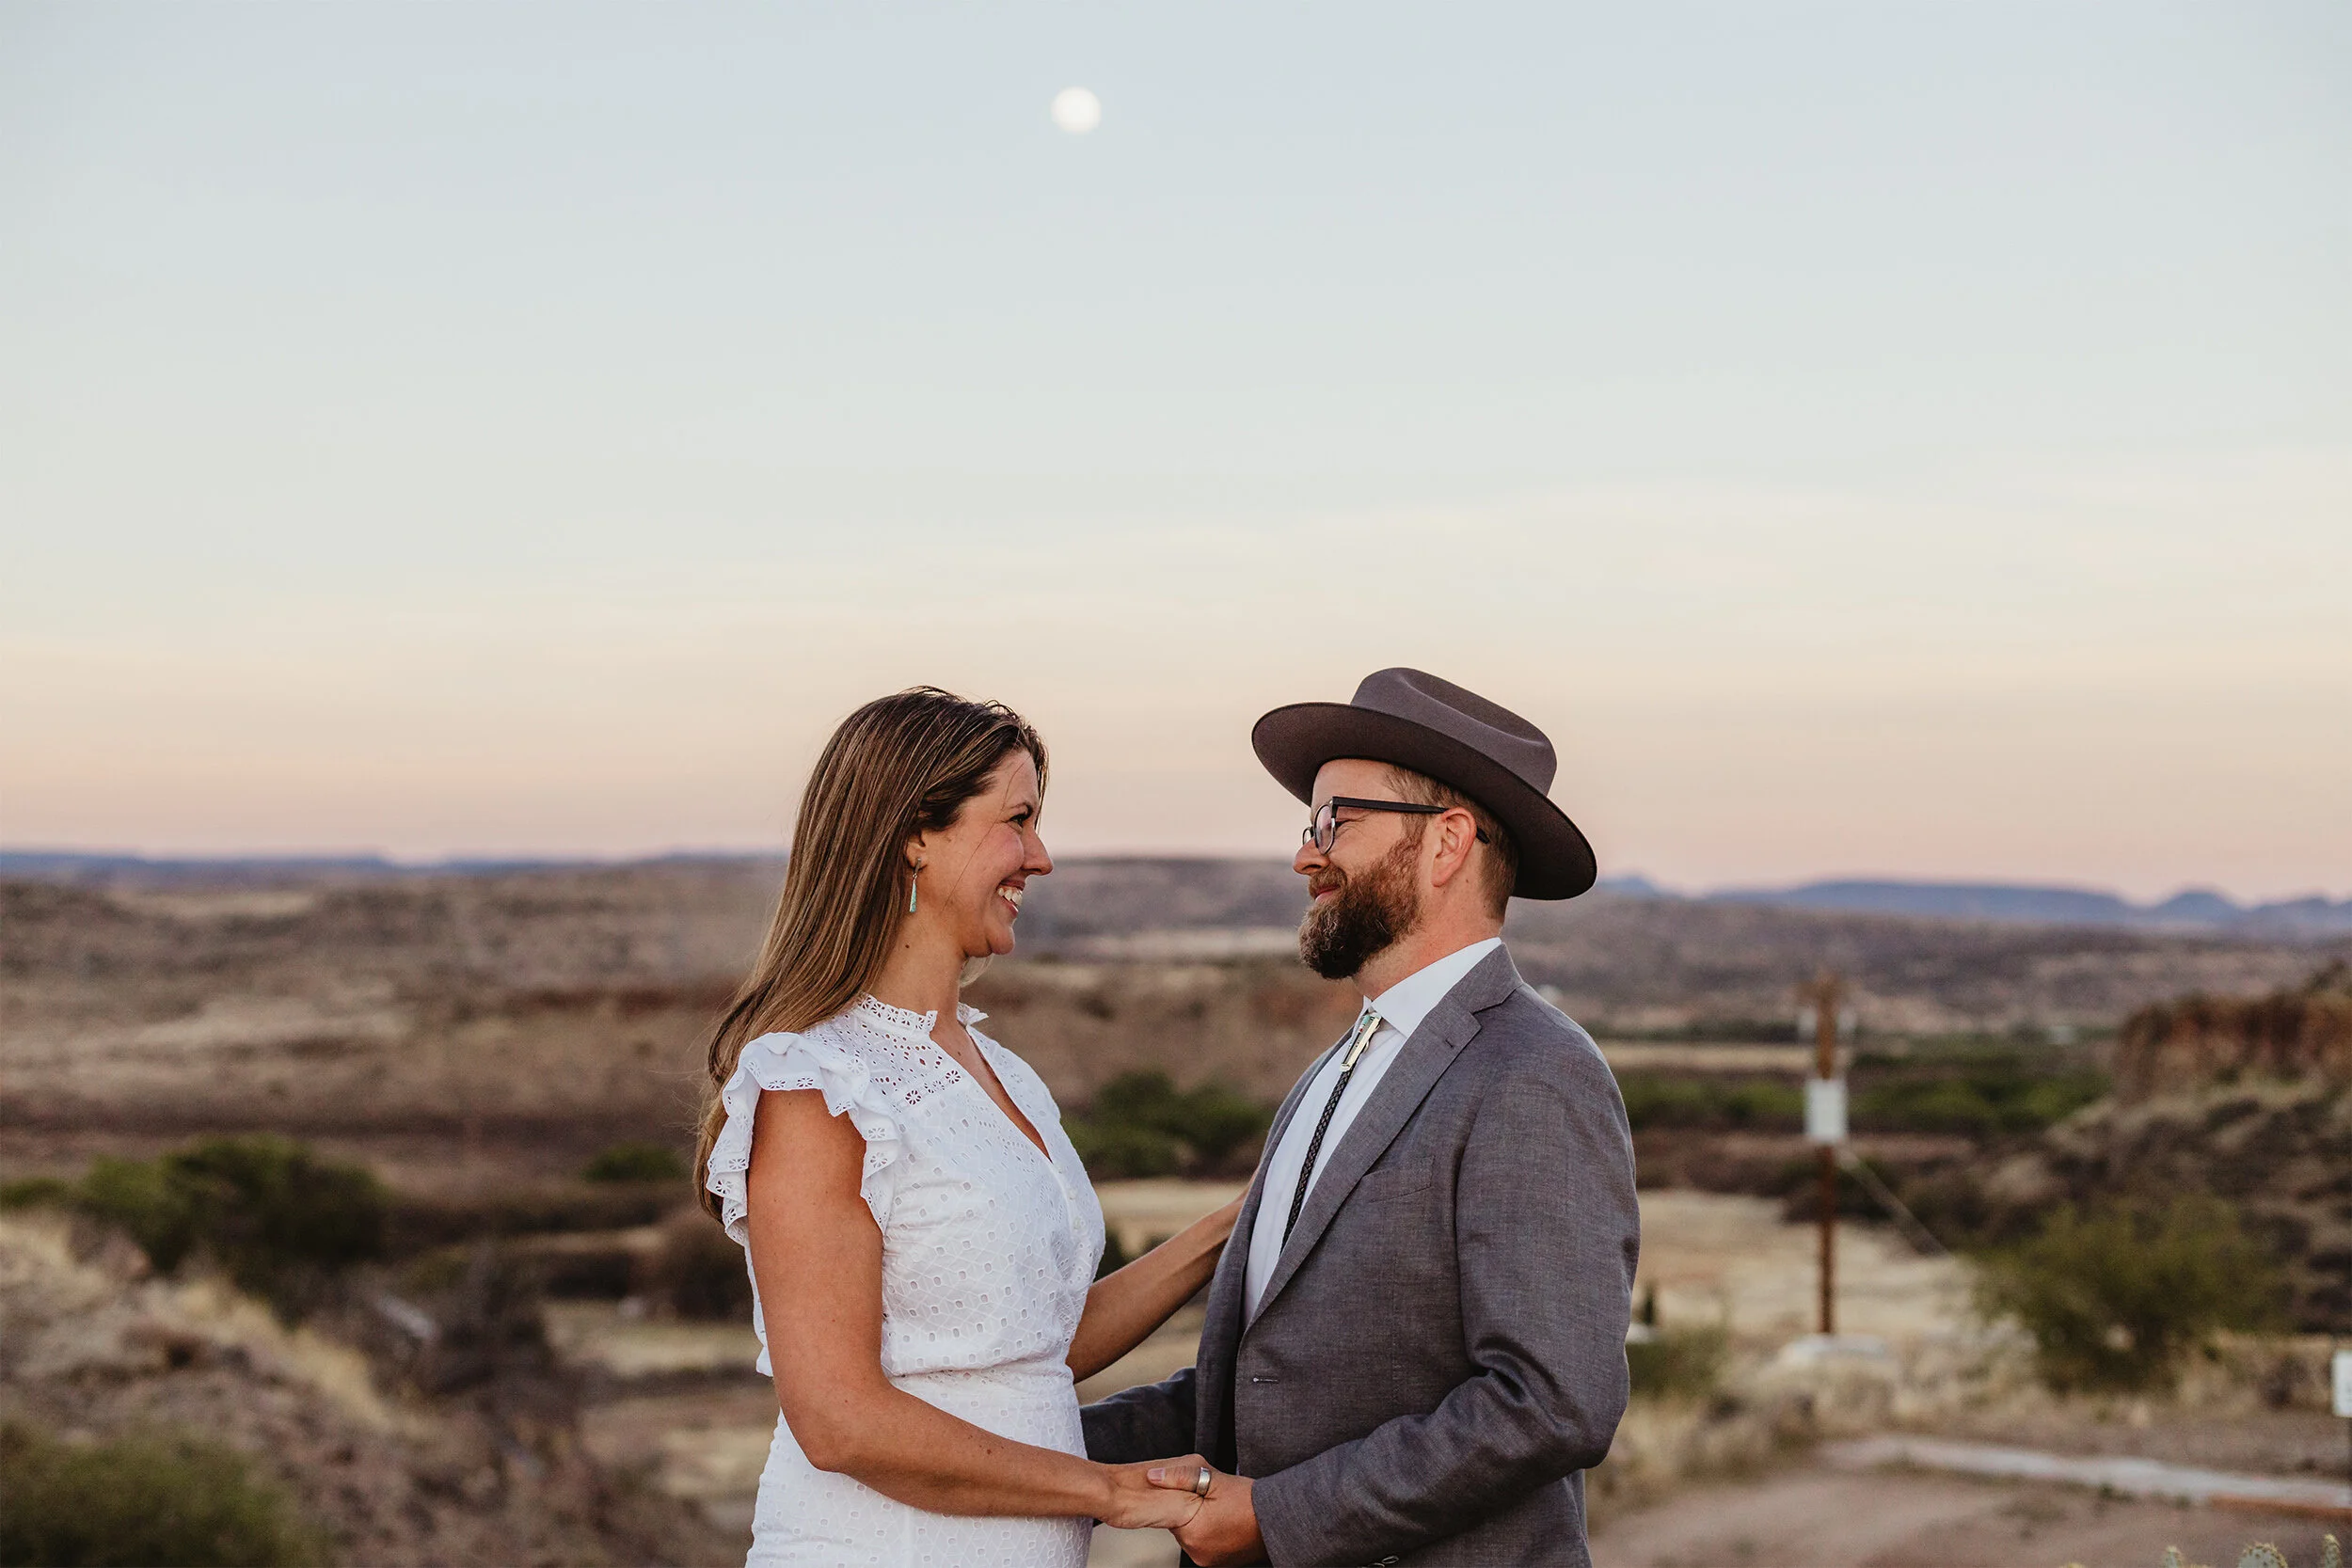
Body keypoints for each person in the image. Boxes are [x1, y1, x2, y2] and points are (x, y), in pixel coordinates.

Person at [1087, 667, 1642, 1567]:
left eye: (1334, 820)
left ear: (1447, 843)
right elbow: (1263, 1388)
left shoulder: (1536, 1075)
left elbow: (1551, 1400)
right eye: (1310, 824)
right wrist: (1014, 1451)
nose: (1306, 853)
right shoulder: (1326, 1077)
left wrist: (1276, 1514)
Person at [694, 687, 1231, 1567]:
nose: (1041, 856)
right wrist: (1109, 1489)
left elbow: (1035, 1342)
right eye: (1017, 820)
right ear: (915, 832)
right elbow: (839, 1420)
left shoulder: (997, 1070)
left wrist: (1233, 1228)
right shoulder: (818, 1084)